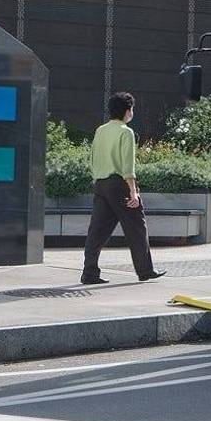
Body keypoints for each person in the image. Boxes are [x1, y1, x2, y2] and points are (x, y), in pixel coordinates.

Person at [81, 92, 166, 284]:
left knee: (97, 231)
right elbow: (128, 166)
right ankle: (145, 270)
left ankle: (89, 272)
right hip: (118, 185)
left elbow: (93, 158)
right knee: (136, 226)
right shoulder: (125, 132)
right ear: (128, 111)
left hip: (101, 184)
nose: (132, 112)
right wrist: (133, 191)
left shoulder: (100, 130)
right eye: (132, 109)